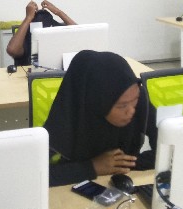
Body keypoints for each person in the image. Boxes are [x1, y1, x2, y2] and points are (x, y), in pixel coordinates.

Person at [43, 50, 158, 187]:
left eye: (135, 100)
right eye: (122, 106)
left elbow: (168, 150)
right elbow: (39, 174)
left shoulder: (137, 100)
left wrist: (121, 164)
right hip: (72, 190)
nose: (131, 111)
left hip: (122, 186)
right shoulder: (68, 117)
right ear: (97, 103)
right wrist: (93, 167)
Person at [6, 0, 76, 66]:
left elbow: (79, 35)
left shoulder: (58, 31)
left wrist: (58, 12)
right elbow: (12, 50)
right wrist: (28, 17)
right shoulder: (27, 39)